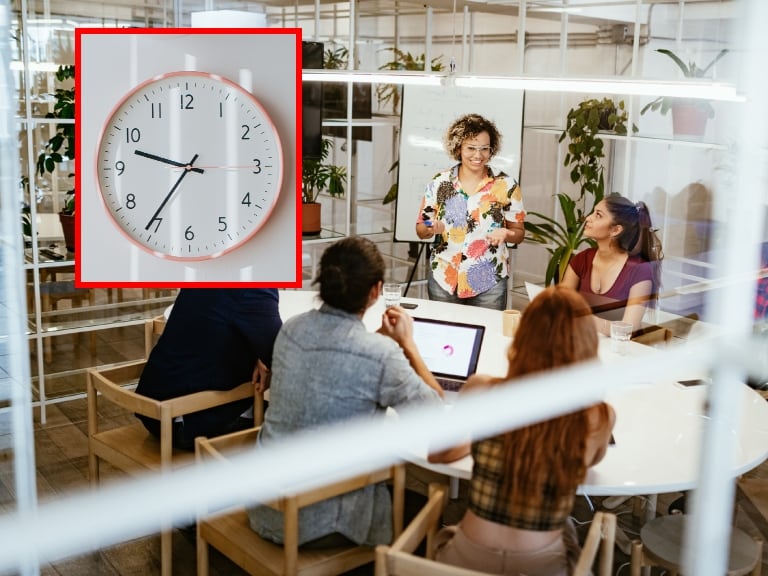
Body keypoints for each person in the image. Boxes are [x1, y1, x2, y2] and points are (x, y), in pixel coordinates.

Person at [249, 236, 443, 549]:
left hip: (266, 505)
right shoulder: (379, 354)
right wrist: (408, 344)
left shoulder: (292, 329)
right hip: (318, 520)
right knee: (431, 510)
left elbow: (336, 357)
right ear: (376, 291)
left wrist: (381, 340)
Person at [429, 286, 615, 575]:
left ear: (523, 336)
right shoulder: (596, 416)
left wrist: (483, 434)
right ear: (586, 344)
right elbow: (586, 464)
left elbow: (437, 454)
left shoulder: (481, 389)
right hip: (541, 566)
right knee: (569, 532)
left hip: (466, 561)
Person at [135, 288, 282, 450]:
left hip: (154, 411)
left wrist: (260, 357)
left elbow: (223, 326)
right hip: (187, 423)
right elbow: (282, 354)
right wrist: (265, 357)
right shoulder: (254, 288)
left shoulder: (208, 271)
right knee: (289, 419)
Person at [415, 113, 526, 311]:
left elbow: (519, 233)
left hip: (489, 279)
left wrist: (508, 233)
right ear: (458, 148)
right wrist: (432, 227)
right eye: (471, 148)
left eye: (485, 149)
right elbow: (421, 229)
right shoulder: (440, 182)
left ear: (492, 150)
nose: (478, 155)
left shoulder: (506, 185)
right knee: (444, 336)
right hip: (444, 276)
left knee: (487, 336)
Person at [562, 193, 662, 335]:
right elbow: (560, 304)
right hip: (583, 344)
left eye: (598, 215)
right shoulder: (581, 259)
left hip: (621, 352)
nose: (588, 218)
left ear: (616, 230)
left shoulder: (640, 270)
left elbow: (628, 329)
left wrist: (584, 320)